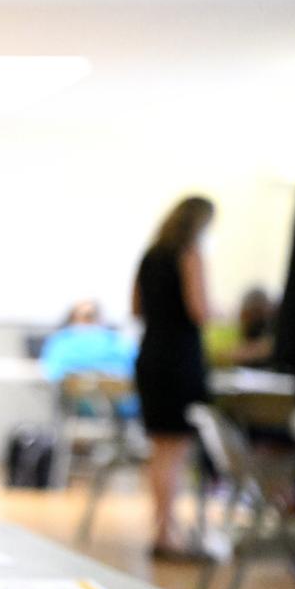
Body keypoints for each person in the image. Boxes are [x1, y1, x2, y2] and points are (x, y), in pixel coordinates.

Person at [132, 195, 214, 558]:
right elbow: (200, 310)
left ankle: (164, 527)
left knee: (160, 450)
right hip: (179, 359)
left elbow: (135, 308)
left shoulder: (151, 255)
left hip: (151, 354)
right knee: (174, 451)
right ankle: (167, 534)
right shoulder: (189, 253)